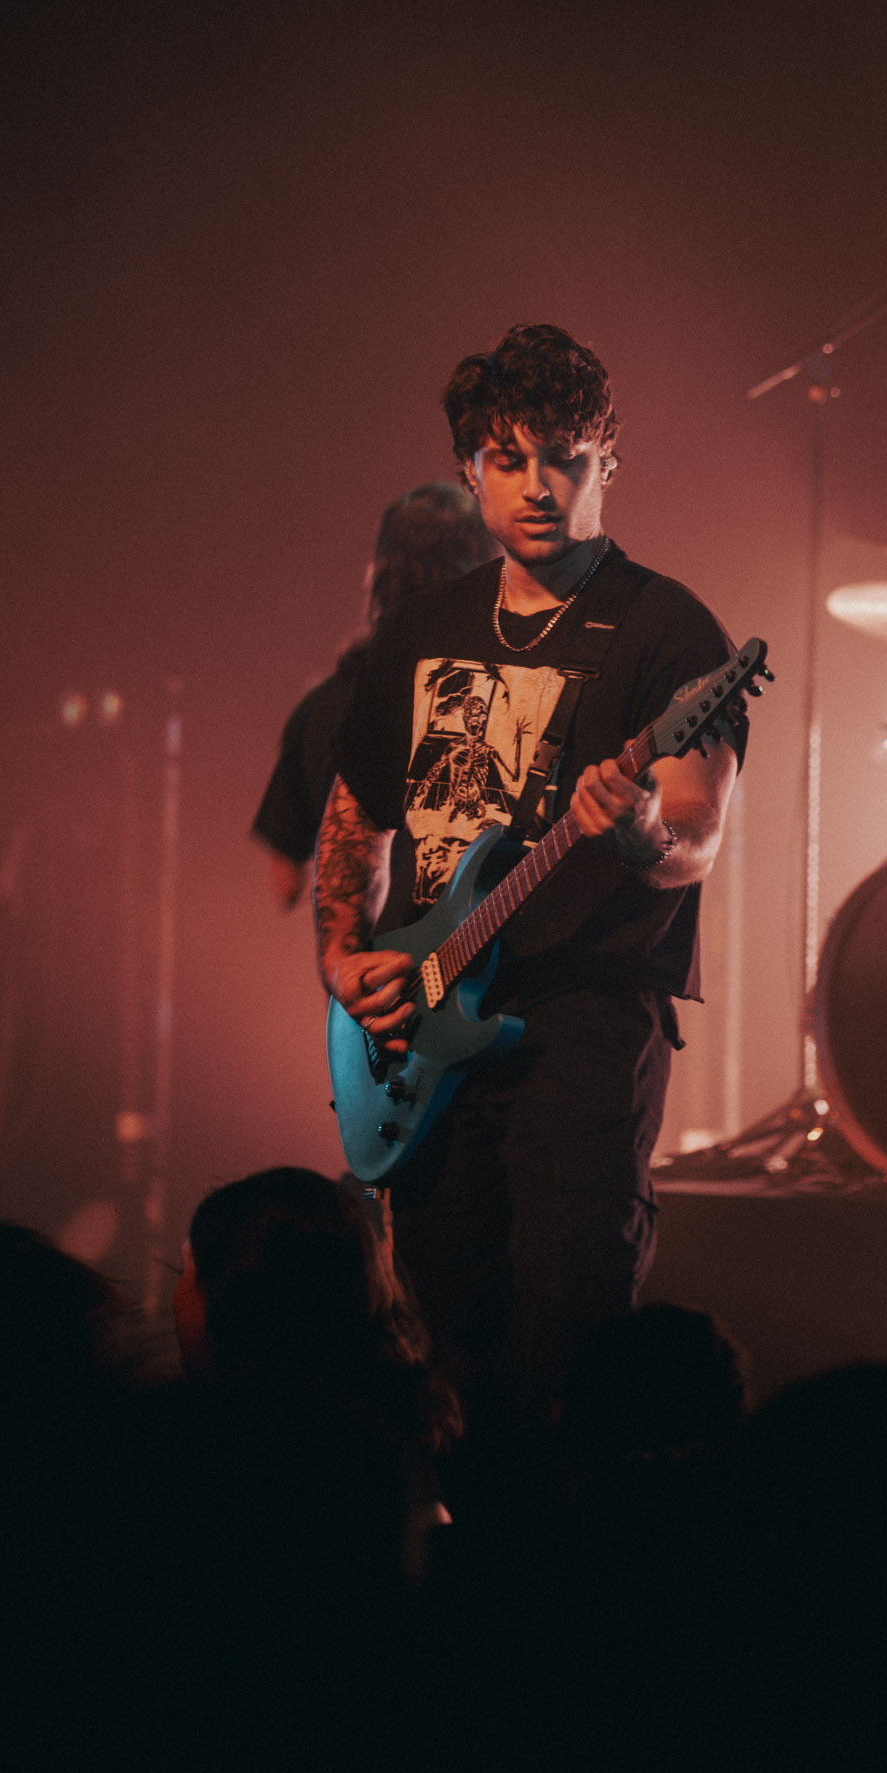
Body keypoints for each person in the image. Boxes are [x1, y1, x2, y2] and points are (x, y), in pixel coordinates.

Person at [314, 322, 746, 1424]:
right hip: (421, 1025)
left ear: (608, 459)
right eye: (507, 459)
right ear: (470, 468)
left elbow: (697, 835)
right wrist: (339, 951)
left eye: (564, 456)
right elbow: (356, 809)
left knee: (567, 1333)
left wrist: (641, 826)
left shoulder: (666, 629)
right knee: (439, 1339)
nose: (537, 485)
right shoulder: (419, 630)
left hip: (582, 1023)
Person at [252, 480, 493, 909]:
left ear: (378, 574)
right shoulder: (488, 697)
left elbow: (284, 882)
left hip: (363, 965)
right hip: (476, 954)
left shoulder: (319, 708)